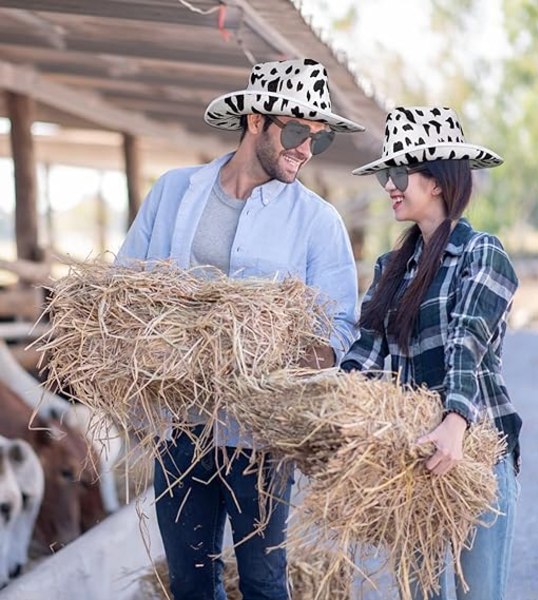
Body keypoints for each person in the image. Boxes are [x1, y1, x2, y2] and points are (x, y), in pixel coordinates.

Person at [115, 58, 363, 600]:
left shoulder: (317, 221)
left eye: (317, 141)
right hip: (181, 429)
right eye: (297, 132)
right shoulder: (176, 192)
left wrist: (280, 358)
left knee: (263, 582)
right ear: (256, 120)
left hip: (261, 440)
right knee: (189, 583)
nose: (305, 149)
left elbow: (342, 324)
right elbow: (124, 287)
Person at [340, 106, 522, 599]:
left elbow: (466, 343)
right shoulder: (389, 267)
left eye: (399, 173)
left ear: (438, 181)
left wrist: (454, 423)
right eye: (386, 174)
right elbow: (367, 354)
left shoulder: (484, 254)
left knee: (475, 595)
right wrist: (327, 408)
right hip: (414, 457)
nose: (389, 186)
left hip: (474, 452)